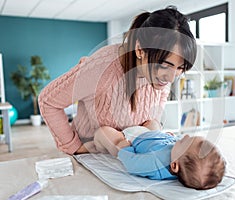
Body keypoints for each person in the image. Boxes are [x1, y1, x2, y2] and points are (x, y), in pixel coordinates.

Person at [38, 6, 197, 155]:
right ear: (140, 50)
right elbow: (48, 101)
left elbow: (157, 104)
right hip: (92, 155)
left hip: (129, 154)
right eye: (164, 65)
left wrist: (152, 127)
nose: (171, 78)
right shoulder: (101, 68)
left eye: (180, 68)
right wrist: (74, 147)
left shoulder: (164, 76)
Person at [91, 125, 226, 190]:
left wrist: (125, 148)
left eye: (185, 141)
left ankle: (96, 146)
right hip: (152, 135)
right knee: (153, 122)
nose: (184, 136)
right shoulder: (179, 155)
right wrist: (171, 138)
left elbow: (132, 164)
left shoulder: (155, 164)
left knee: (104, 132)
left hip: (132, 140)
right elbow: (177, 143)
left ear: (174, 165)